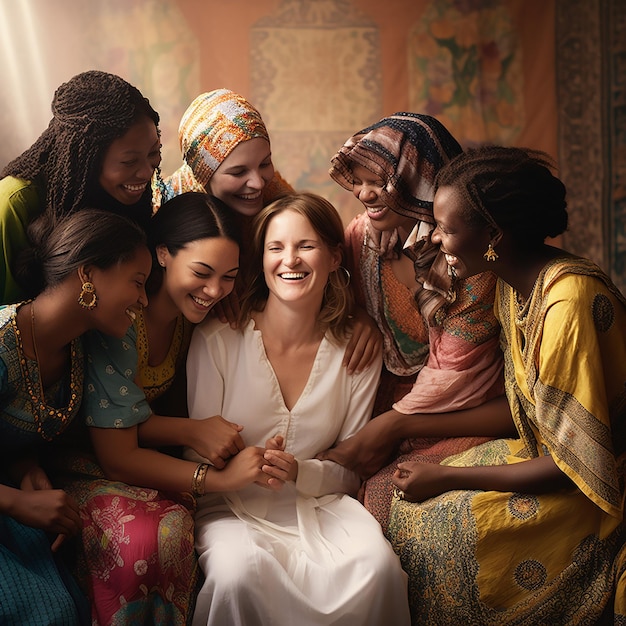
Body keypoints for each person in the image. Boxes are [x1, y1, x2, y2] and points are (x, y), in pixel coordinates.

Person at [388, 146, 626, 622]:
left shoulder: (568, 304)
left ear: (493, 234)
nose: (436, 239)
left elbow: (571, 463)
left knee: (439, 536)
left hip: (597, 487)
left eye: (446, 228)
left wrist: (449, 477)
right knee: (402, 509)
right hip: (543, 458)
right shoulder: (511, 287)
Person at [186, 192, 411, 626]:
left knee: (378, 569)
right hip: (230, 508)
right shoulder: (218, 339)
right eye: (276, 247)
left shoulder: (357, 352)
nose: (290, 260)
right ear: (262, 258)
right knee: (238, 577)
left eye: (305, 246)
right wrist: (243, 465)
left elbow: (352, 465)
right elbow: (197, 456)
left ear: (332, 257)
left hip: (321, 508)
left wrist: (298, 472)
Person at [58, 192, 244, 625]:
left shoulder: (187, 321)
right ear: (162, 253)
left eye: (229, 276)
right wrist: (199, 446)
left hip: (137, 458)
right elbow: (117, 452)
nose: (215, 290)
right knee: (155, 534)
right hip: (85, 462)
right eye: (202, 272)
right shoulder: (123, 321)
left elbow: (139, 417)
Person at [318, 113, 505, 530]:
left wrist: (391, 426)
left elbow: (452, 378)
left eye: (380, 182)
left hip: (465, 409)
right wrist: (359, 317)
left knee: (388, 502)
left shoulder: (467, 262)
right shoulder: (360, 237)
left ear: (419, 182)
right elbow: (322, 297)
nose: (364, 194)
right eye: (359, 181)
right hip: (378, 405)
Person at [0, 209, 151, 625]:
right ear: (88, 274)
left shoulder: (80, 349)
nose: (143, 300)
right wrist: (16, 501)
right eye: (137, 283)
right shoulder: (1, 345)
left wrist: (25, 466)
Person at [165, 87, 380, 373]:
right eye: (238, 172)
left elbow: (322, 263)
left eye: (265, 164)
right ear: (203, 174)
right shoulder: (166, 215)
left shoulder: (277, 202)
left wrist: (358, 317)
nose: (258, 182)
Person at [0, 69, 163, 304]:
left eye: (153, 153)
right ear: (85, 160)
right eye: (129, 161)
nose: (147, 172)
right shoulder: (13, 203)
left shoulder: (137, 195)